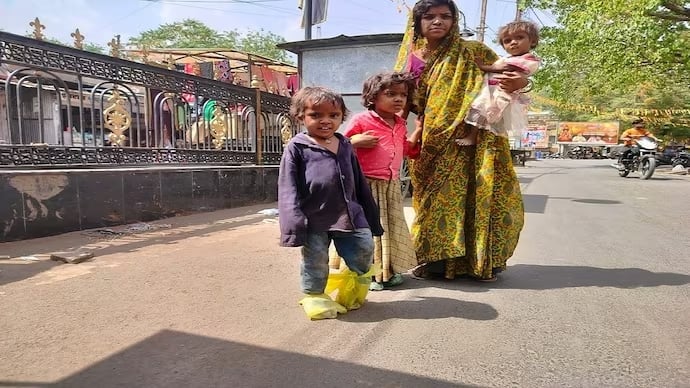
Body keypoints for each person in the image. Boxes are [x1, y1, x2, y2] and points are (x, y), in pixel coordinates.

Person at [394, 0, 527, 281]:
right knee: (433, 201)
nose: (438, 21)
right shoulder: (409, 59)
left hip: (477, 140)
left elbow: (514, 71)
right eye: (429, 16)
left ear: (455, 21)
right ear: (417, 23)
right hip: (431, 142)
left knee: (475, 197)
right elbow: (397, 99)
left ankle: (479, 261)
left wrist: (523, 84)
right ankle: (436, 262)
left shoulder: (474, 52)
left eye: (445, 16)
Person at [278, 86, 384, 299]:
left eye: (333, 115)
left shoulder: (344, 144)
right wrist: (293, 224)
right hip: (315, 218)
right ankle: (315, 297)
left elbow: (358, 181)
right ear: (301, 116)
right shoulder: (297, 147)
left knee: (364, 248)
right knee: (315, 261)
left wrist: (371, 215)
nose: (325, 120)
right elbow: (287, 188)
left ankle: (355, 288)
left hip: (350, 215)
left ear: (342, 117)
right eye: (316, 115)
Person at [338, 72, 423, 291]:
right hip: (366, 185)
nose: (399, 99)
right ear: (373, 96)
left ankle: (388, 271)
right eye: (391, 94)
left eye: (403, 95)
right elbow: (338, 147)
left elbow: (406, 149)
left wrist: (419, 132)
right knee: (367, 229)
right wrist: (354, 141)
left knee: (390, 228)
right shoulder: (361, 120)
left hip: (391, 186)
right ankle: (368, 273)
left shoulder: (401, 124)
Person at [459, 21, 541, 146]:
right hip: (492, 89)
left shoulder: (527, 59)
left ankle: (474, 137)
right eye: (507, 41)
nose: (513, 42)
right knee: (482, 111)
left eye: (519, 37)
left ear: (533, 41)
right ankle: (473, 136)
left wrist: (483, 66)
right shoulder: (505, 58)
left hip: (501, 92)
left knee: (487, 112)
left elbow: (506, 68)